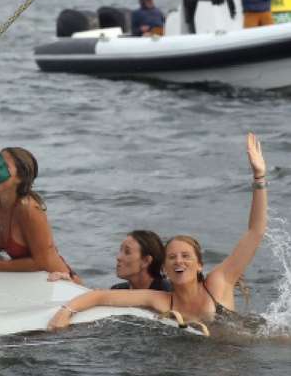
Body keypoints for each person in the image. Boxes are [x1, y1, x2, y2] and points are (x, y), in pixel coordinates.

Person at [48, 133, 268, 331]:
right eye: (171, 257)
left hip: (239, 352)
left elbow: (255, 231)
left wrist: (259, 178)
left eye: (186, 256)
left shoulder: (218, 283)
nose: (178, 261)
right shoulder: (161, 300)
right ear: (164, 267)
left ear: (200, 264)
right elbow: (101, 296)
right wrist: (65, 310)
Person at [0, 147, 77, 281]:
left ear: (20, 178)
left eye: (4, 167)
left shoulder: (29, 209)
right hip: (30, 282)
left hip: (61, 282)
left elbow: (41, 263)